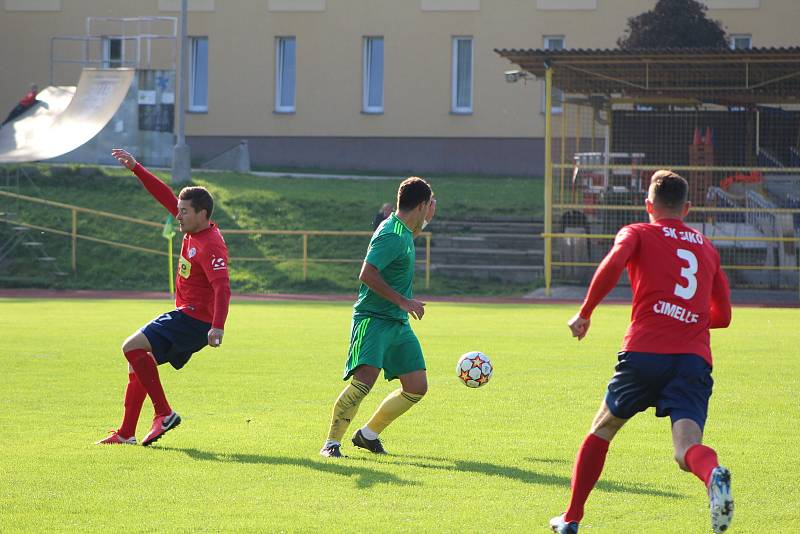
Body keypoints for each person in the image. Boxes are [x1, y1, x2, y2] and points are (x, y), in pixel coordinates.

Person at [550, 170, 733, 534]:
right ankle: (713, 475)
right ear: (688, 208)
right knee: (686, 451)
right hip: (692, 360)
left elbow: (614, 264)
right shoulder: (706, 247)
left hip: (644, 352)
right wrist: (687, 320)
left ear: (649, 205)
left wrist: (585, 312)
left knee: (602, 429)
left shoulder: (637, 232)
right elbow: (723, 317)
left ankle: (571, 519)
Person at [96, 148, 231, 447]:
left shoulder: (210, 246)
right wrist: (136, 168)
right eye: (179, 209)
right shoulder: (192, 227)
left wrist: (218, 326)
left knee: (130, 347)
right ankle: (126, 433)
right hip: (189, 316)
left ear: (202, 214)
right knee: (139, 364)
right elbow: (162, 194)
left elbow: (223, 288)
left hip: (194, 319)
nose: (177, 214)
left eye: (184, 211)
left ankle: (164, 413)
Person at [320, 178, 436, 458]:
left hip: (396, 321)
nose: (433, 209)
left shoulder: (405, 230)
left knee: (417, 386)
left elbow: (411, 233)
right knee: (364, 382)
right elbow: (367, 274)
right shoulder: (392, 234)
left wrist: (424, 219)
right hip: (373, 319)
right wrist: (404, 301)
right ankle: (331, 444)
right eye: (430, 204)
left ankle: (368, 435)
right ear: (421, 205)